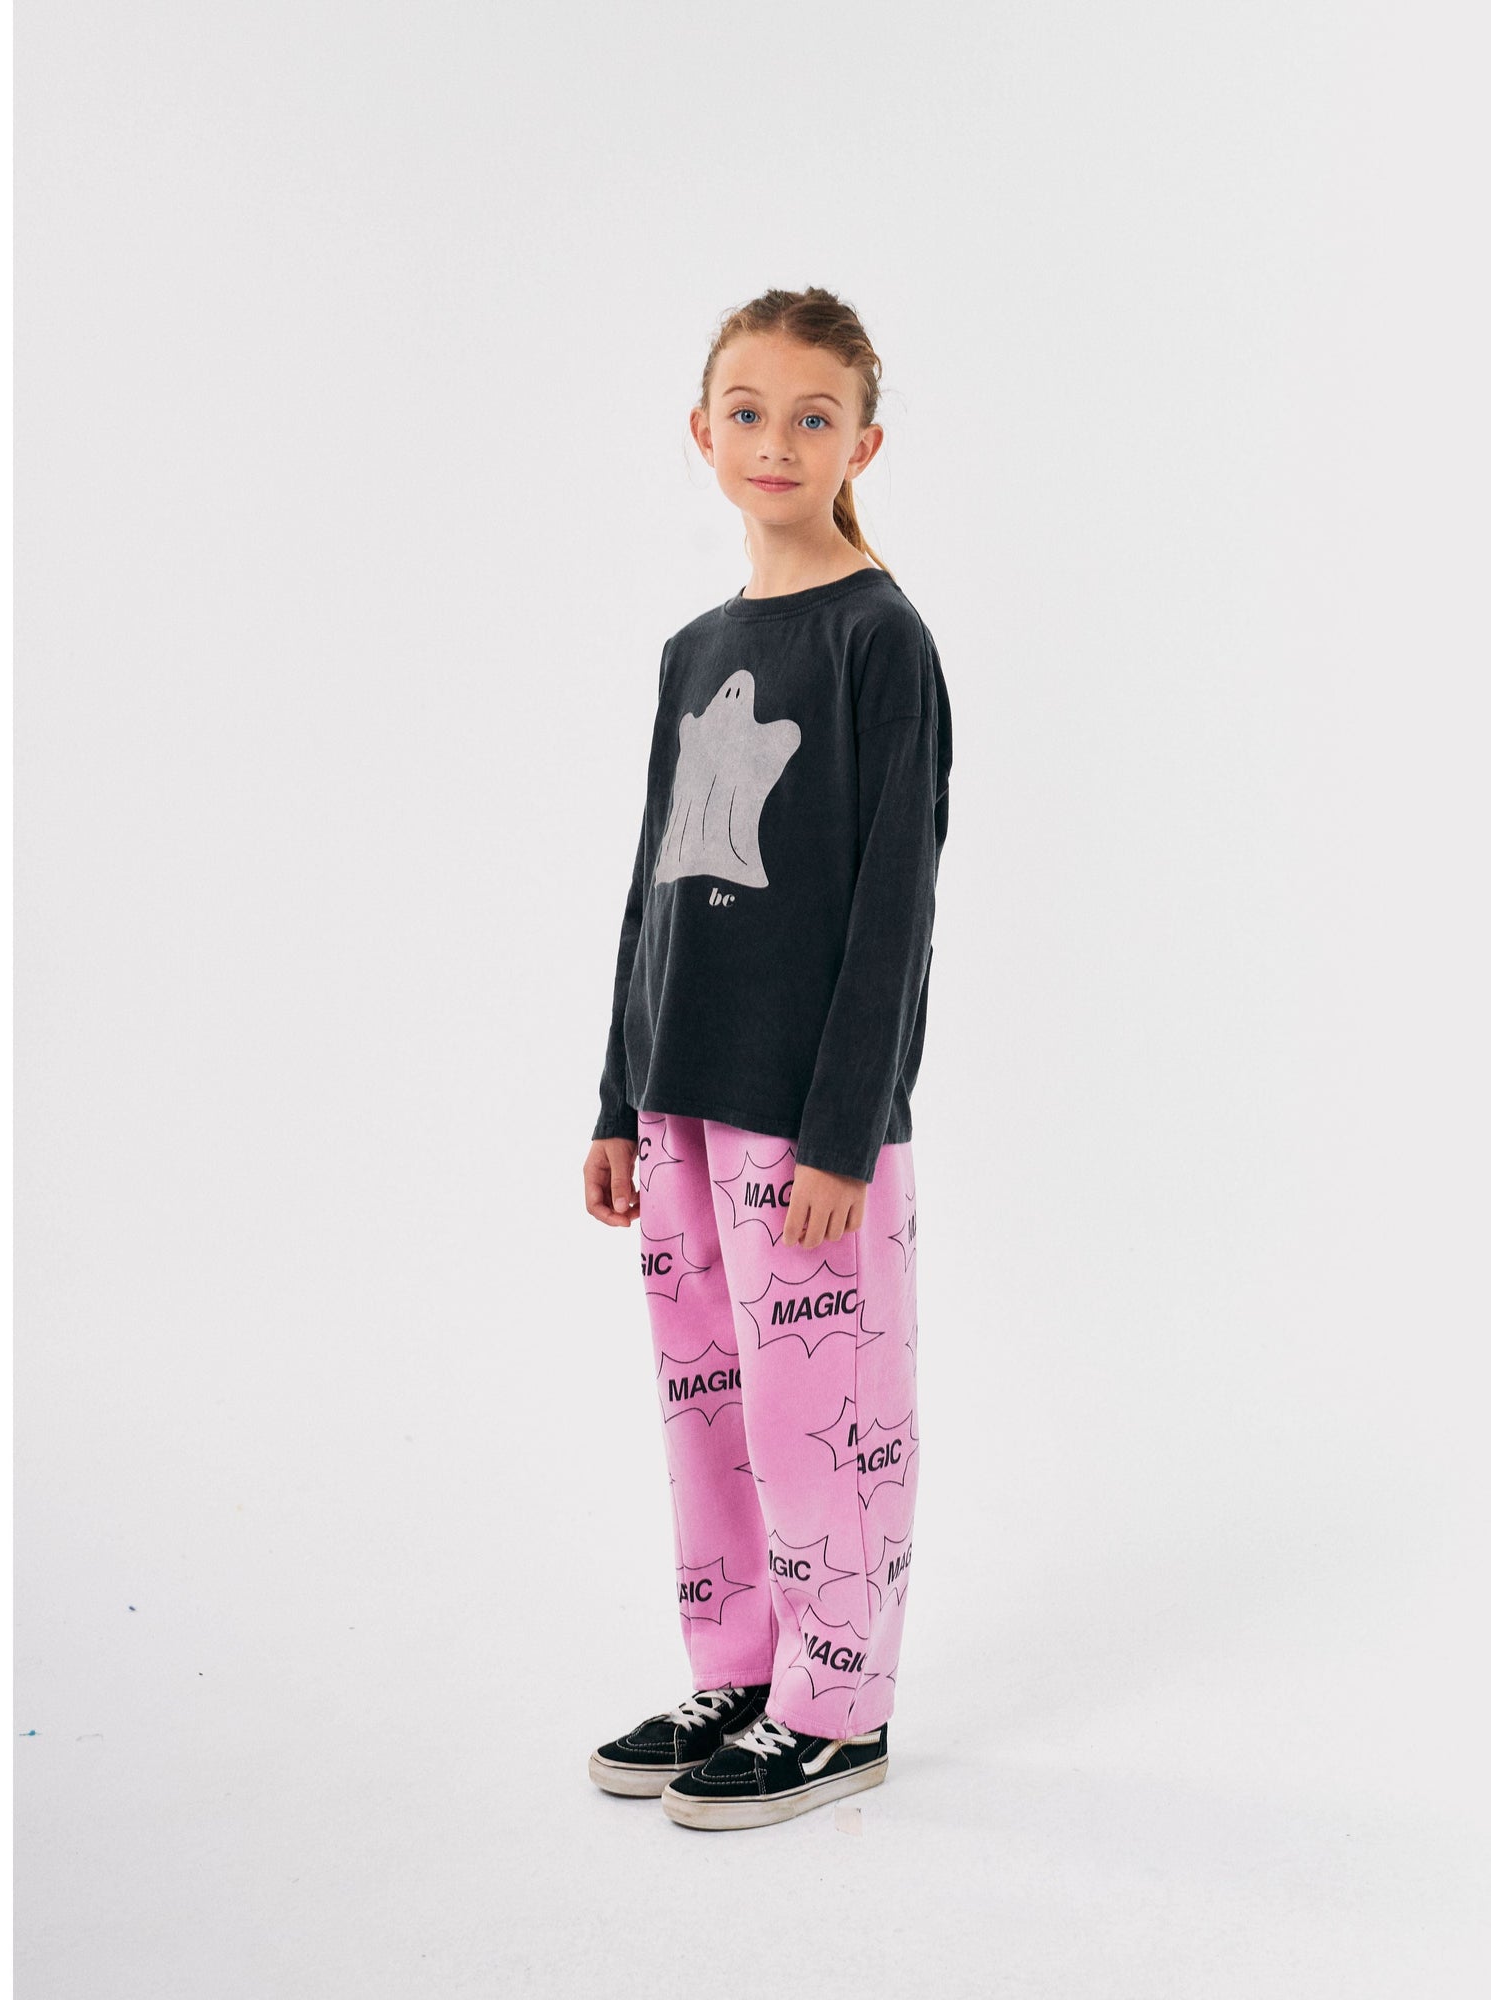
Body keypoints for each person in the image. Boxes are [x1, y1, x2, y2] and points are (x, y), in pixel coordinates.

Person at [581, 287, 953, 1831]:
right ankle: (739, 1673)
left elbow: (894, 909)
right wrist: (619, 1100)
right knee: (710, 1415)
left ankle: (838, 1709)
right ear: (702, 431)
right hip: (682, 1100)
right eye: (748, 411)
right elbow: (655, 886)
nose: (777, 441)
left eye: (814, 416)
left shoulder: (881, 641)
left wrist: (844, 1134)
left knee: (821, 1418)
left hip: (809, 1125)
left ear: (864, 442)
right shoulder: (694, 650)